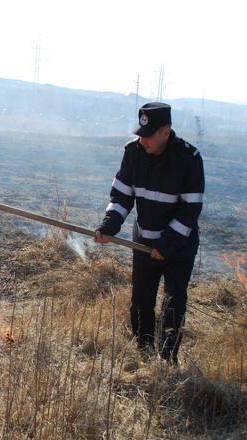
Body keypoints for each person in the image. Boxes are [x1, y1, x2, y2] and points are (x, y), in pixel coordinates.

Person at [94, 102, 204, 364]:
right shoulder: (133, 152)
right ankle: (144, 356)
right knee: (141, 301)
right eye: (140, 133)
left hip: (179, 246)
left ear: (165, 132)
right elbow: (122, 195)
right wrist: (109, 225)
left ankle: (167, 361)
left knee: (173, 302)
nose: (142, 140)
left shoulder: (189, 159)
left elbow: (190, 209)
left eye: (148, 135)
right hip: (143, 241)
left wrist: (167, 244)